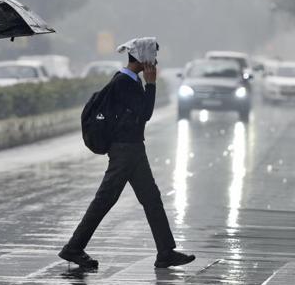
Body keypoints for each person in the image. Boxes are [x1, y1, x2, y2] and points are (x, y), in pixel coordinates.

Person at [58, 37, 195, 269]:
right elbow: (145, 113)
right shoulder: (124, 82)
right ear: (142, 58)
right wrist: (151, 84)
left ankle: (165, 252)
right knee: (104, 200)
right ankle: (73, 247)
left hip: (133, 149)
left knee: (151, 199)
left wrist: (148, 83)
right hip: (124, 150)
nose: (156, 61)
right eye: (152, 56)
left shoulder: (129, 80)